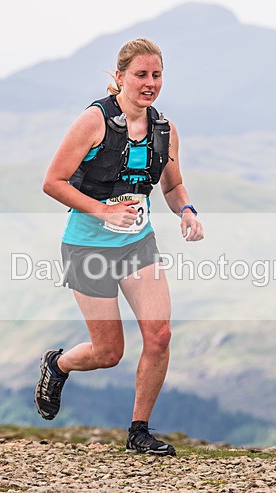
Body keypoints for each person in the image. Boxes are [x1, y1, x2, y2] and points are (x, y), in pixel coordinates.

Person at [35, 37, 203, 456]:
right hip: (87, 247)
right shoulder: (93, 121)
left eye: (156, 75)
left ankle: (139, 431)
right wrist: (103, 212)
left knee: (160, 335)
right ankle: (58, 364)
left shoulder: (165, 129)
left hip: (137, 245)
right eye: (141, 75)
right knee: (109, 352)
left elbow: (174, 184)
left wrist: (187, 211)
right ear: (119, 77)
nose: (150, 83)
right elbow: (52, 182)